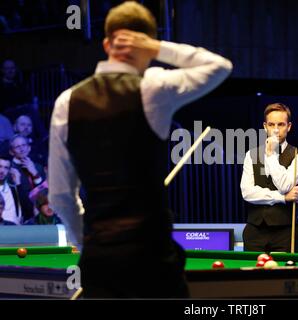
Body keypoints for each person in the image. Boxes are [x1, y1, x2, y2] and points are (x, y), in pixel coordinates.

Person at [49, 1, 232, 298]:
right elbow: (220, 67)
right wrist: (159, 47)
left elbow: (59, 196)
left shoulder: (66, 102)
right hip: (152, 258)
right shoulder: (155, 87)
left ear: (106, 43)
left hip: (99, 260)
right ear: (147, 44)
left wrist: (88, 243)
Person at [240, 103, 298, 253]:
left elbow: (284, 184)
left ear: (289, 126)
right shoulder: (251, 155)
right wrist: (282, 198)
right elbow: (247, 192)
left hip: (285, 233)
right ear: (265, 127)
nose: (276, 129)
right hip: (254, 232)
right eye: (271, 124)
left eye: (281, 124)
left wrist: (271, 155)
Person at [0, 155, 27, 225]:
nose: (2, 171)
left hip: (12, 230)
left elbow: (27, 208)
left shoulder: (13, 189)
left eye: (6, 168)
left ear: (9, 170)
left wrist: (18, 183)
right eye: (0, 166)